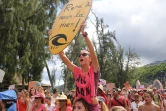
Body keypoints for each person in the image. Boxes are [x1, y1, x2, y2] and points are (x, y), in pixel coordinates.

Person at [48, 21, 100, 111]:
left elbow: (92, 52)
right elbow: (63, 56)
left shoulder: (93, 69)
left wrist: (84, 34)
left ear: (90, 59)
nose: (81, 56)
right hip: (78, 106)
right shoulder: (77, 71)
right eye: (80, 55)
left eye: (84, 54)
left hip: (92, 107)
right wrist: (53, 39)